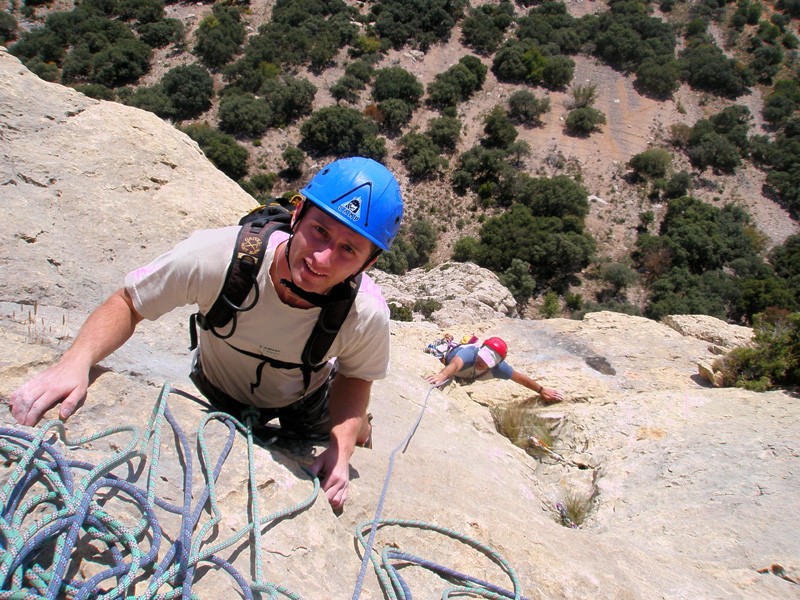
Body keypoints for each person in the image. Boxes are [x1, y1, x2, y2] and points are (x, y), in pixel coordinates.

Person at [9, 157, 404, 510]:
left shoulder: (365, 312)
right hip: (218, 388)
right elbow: (130, 302)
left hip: (304, 399)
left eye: (348, 250)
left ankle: (363, 428)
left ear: (368, 263)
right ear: (297, 214)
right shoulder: (220, 256)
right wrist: (75, 361)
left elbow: (356, 375)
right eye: (319, 231)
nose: (322, 258)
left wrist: (341, 449)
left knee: (352, 431)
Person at [425, 337, 564, 403]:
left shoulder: (499, 368)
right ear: (480, 350)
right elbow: (455, 364)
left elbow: (520, 378)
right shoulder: (469, 354)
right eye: (483, 357)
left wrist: (541, 390)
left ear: (496, 363)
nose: (482, 362)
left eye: (488, 361)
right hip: (448, 358)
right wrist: (442, 375)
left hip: (464, 375)